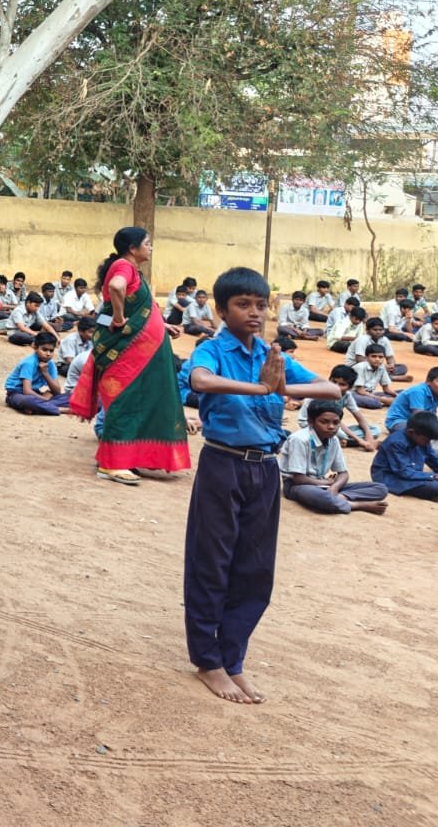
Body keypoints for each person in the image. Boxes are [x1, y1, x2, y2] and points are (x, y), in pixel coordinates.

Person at [184, 265, 335, 703]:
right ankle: (208, 661)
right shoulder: (214, 350)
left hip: (265, 469)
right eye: (243, 304)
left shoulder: (272, 356)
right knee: (211, 563)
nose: (255, 313)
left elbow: (329, 388)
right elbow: (200, 381)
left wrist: (284, 385)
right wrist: (261, 390)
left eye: (261, 305)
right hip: (223, 464)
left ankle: (233, 659)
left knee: (254, 570)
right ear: (221, 310)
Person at [68, 226, 192, 486]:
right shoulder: (124, 267)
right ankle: (111, 463)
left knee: (141, 400)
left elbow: (142, 308)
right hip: (127, 352)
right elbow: (116, 287)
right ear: (133, 248)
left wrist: (162, 325)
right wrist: (118, 317)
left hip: (141, 353)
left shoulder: (130, 269)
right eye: (147, 243)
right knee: (125, 400)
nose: (151, 247)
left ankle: (129, 455)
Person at [281, 401, 388, 515]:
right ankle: (356, 505)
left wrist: (334, 488)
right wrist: (324, 482)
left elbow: (343, 474)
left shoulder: (334, 440)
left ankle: (339, 498)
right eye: (324, 422)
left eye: (336, 422)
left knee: (380, 488)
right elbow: (299, 479)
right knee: (318, 495)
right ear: (311, 422)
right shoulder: (300, 439)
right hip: (299, 486)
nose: (331, 427)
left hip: (325, 485)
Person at [369, 412, 438, 501]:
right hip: (390, 478)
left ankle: (436, 494)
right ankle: (436, 496)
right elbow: (404, 472)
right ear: (411, 432)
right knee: (437, 486)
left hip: (412, 475)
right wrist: (436, 476)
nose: (428, 443)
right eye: (426, 440)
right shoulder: (396, 442)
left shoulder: (424, 442)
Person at [307, 365, 377, 450]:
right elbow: (336, 422)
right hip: (313, 425)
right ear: (329, 380)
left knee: (375, 429)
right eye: (334, 382)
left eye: (342, 384)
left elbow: (359, 417)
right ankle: (349, 442)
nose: (337, 386)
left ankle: (345, 441)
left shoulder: (347, 395)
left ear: (350, 387)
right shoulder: (324, 393)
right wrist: (359, 440)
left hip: (332, 425)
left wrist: (369, 436)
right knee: (340, 434)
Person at [4, 333, 69, 415]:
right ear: (35, 347)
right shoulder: (29, 363)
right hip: (18, 393)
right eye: (44, 350)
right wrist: (45, 399)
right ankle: (60, 409)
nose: (48, 354)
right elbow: (27, 391)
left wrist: (45, 373)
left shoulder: (50, 364)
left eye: (51, 350)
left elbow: (57, 391)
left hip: (36, 393)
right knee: (28, 401)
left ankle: (38, 408)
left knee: (70, 397)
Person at [382, 366, 438, 433]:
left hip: (417, 422)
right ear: (428, 381)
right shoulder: (418, 391)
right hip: (398, 422)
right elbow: (419, 418)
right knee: (424, 431)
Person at [350, 342, 396, 406]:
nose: (377, 359)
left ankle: (383, 401)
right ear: (366, 357)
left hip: (370, 393)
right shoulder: (360, 367)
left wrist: (399, 396)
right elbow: (360, 391)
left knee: (402, 392)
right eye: (373, 356)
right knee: (374, 403)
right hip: (354, 393)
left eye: (380, 357)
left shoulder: (381, 367)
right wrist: (383, 399)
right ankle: (382, 402)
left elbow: (386, 389)